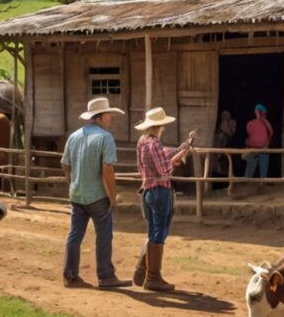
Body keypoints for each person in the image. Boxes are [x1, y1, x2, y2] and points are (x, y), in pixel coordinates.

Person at [60, 97, 133, 289]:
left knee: (75, 235)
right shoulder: (105, 138)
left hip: (77, 195)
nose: (110, 118)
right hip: (98, 196)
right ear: (100, 117)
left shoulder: (74, 136)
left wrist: (73, 183)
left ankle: (70, 274)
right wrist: (112, 196)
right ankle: (106, 276)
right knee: (104, 235)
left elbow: (65, 164)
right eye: (108, 114)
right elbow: (107, 169)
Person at [132, 107, 194, 292]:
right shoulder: (155, 145)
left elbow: (165, 155)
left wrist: (182, 148)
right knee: (159, 233)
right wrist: (178, 158)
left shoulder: (142, 143)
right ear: (160, 126)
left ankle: (144, 268)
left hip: (148, 190)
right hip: (160, 191)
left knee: (153, 231)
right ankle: (153, 277)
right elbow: (165, 170)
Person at [244, 104, 274, 179]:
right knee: (257, 168)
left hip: (258, 148)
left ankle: (253, 182)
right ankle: (260, 183)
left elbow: (249, 134)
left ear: (256, 111)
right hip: (260, 148)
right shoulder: (264, 123)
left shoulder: (250, 124)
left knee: (252, 169)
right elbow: (271, 133)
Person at [213, 110, 236, 175]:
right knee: (217, 158)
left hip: (226, 144)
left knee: (226, 159)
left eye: (226, 115)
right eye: (223, 116)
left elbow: (230, 133)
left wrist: (226, 123)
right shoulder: (222, 123)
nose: (224, 117)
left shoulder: (231, 122)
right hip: (218, 144)